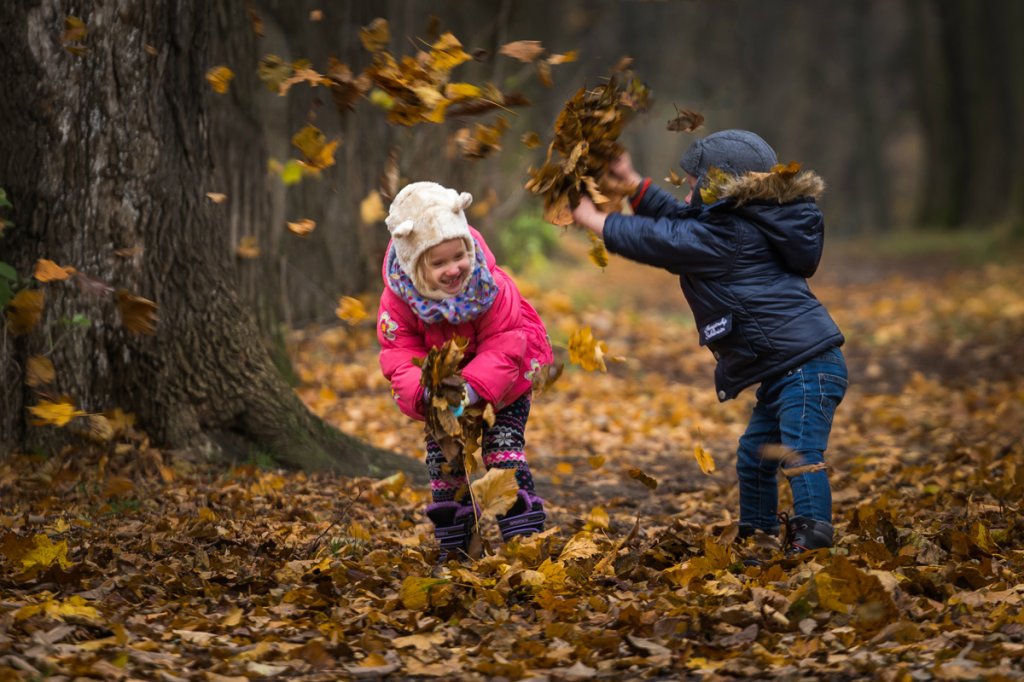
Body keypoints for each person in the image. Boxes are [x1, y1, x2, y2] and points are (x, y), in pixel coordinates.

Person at [571, 129, 847, 555]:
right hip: (788, 369)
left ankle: (813, 536)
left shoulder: (728, 236)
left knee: (798, 451)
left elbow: (663, 239)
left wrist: (596, 221)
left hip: (805, 369)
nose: (685, 196)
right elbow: (683, 222)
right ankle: (757, 535)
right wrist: (631, 184)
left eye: (693, 186)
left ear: (719, 188)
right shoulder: (738, 222)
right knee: (754, 456)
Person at [377, 181, 552, 561]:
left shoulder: (491, 286)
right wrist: (426, 395)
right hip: (443, 396)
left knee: (502, 450)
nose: (454, 269)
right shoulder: (399, 300)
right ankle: (457, 542)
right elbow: (399, 354)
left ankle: (524, 539)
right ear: (413, 263)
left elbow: (505, 346)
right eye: (438, 263)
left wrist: (471, 391)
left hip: (506, 386)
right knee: (445, 460)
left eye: (459, 256)